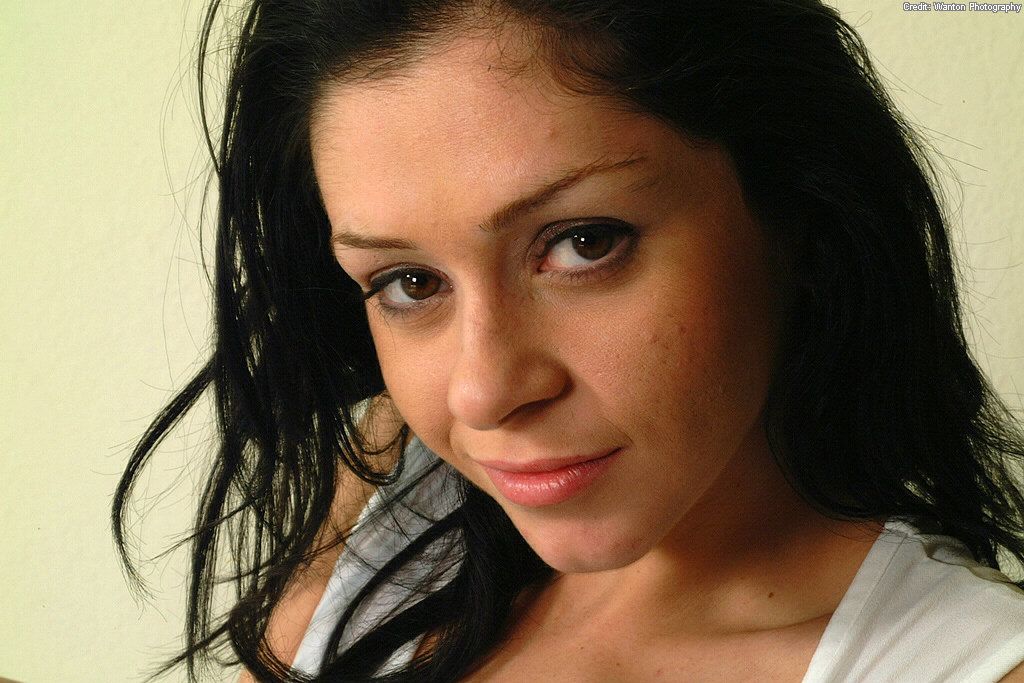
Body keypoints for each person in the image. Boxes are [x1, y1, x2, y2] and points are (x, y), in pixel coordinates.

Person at [113, 0, 1024, 681]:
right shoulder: (390, 487)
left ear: (799, 210)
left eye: (585, 242)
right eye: (410, 283)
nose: (483, 390)